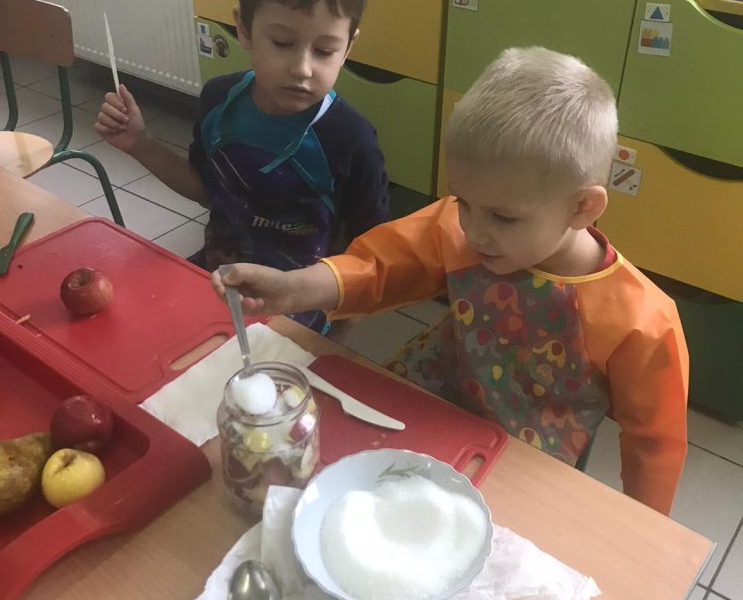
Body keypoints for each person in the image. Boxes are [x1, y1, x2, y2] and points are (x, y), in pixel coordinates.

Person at [211, 47, 689, 515]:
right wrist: (294, 288)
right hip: (429, 402)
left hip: (522, 461)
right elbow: (381, 265)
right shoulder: (466, 230)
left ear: (582, 207)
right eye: (462, 202)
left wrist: (647, 535)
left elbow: (655, 446)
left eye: (503, 217)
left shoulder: (641, 321)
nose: (473, 231)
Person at [94, 0, 389, 331]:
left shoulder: (351, 139)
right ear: (244, 29)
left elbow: (370, 257)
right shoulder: (219, 101)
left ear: (349, 46)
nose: (302, 68)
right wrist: (141, 144)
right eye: (282, 43)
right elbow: (206, 190)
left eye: (324, 51)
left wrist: (333, 335)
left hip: (298, 309)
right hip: (215, 282)